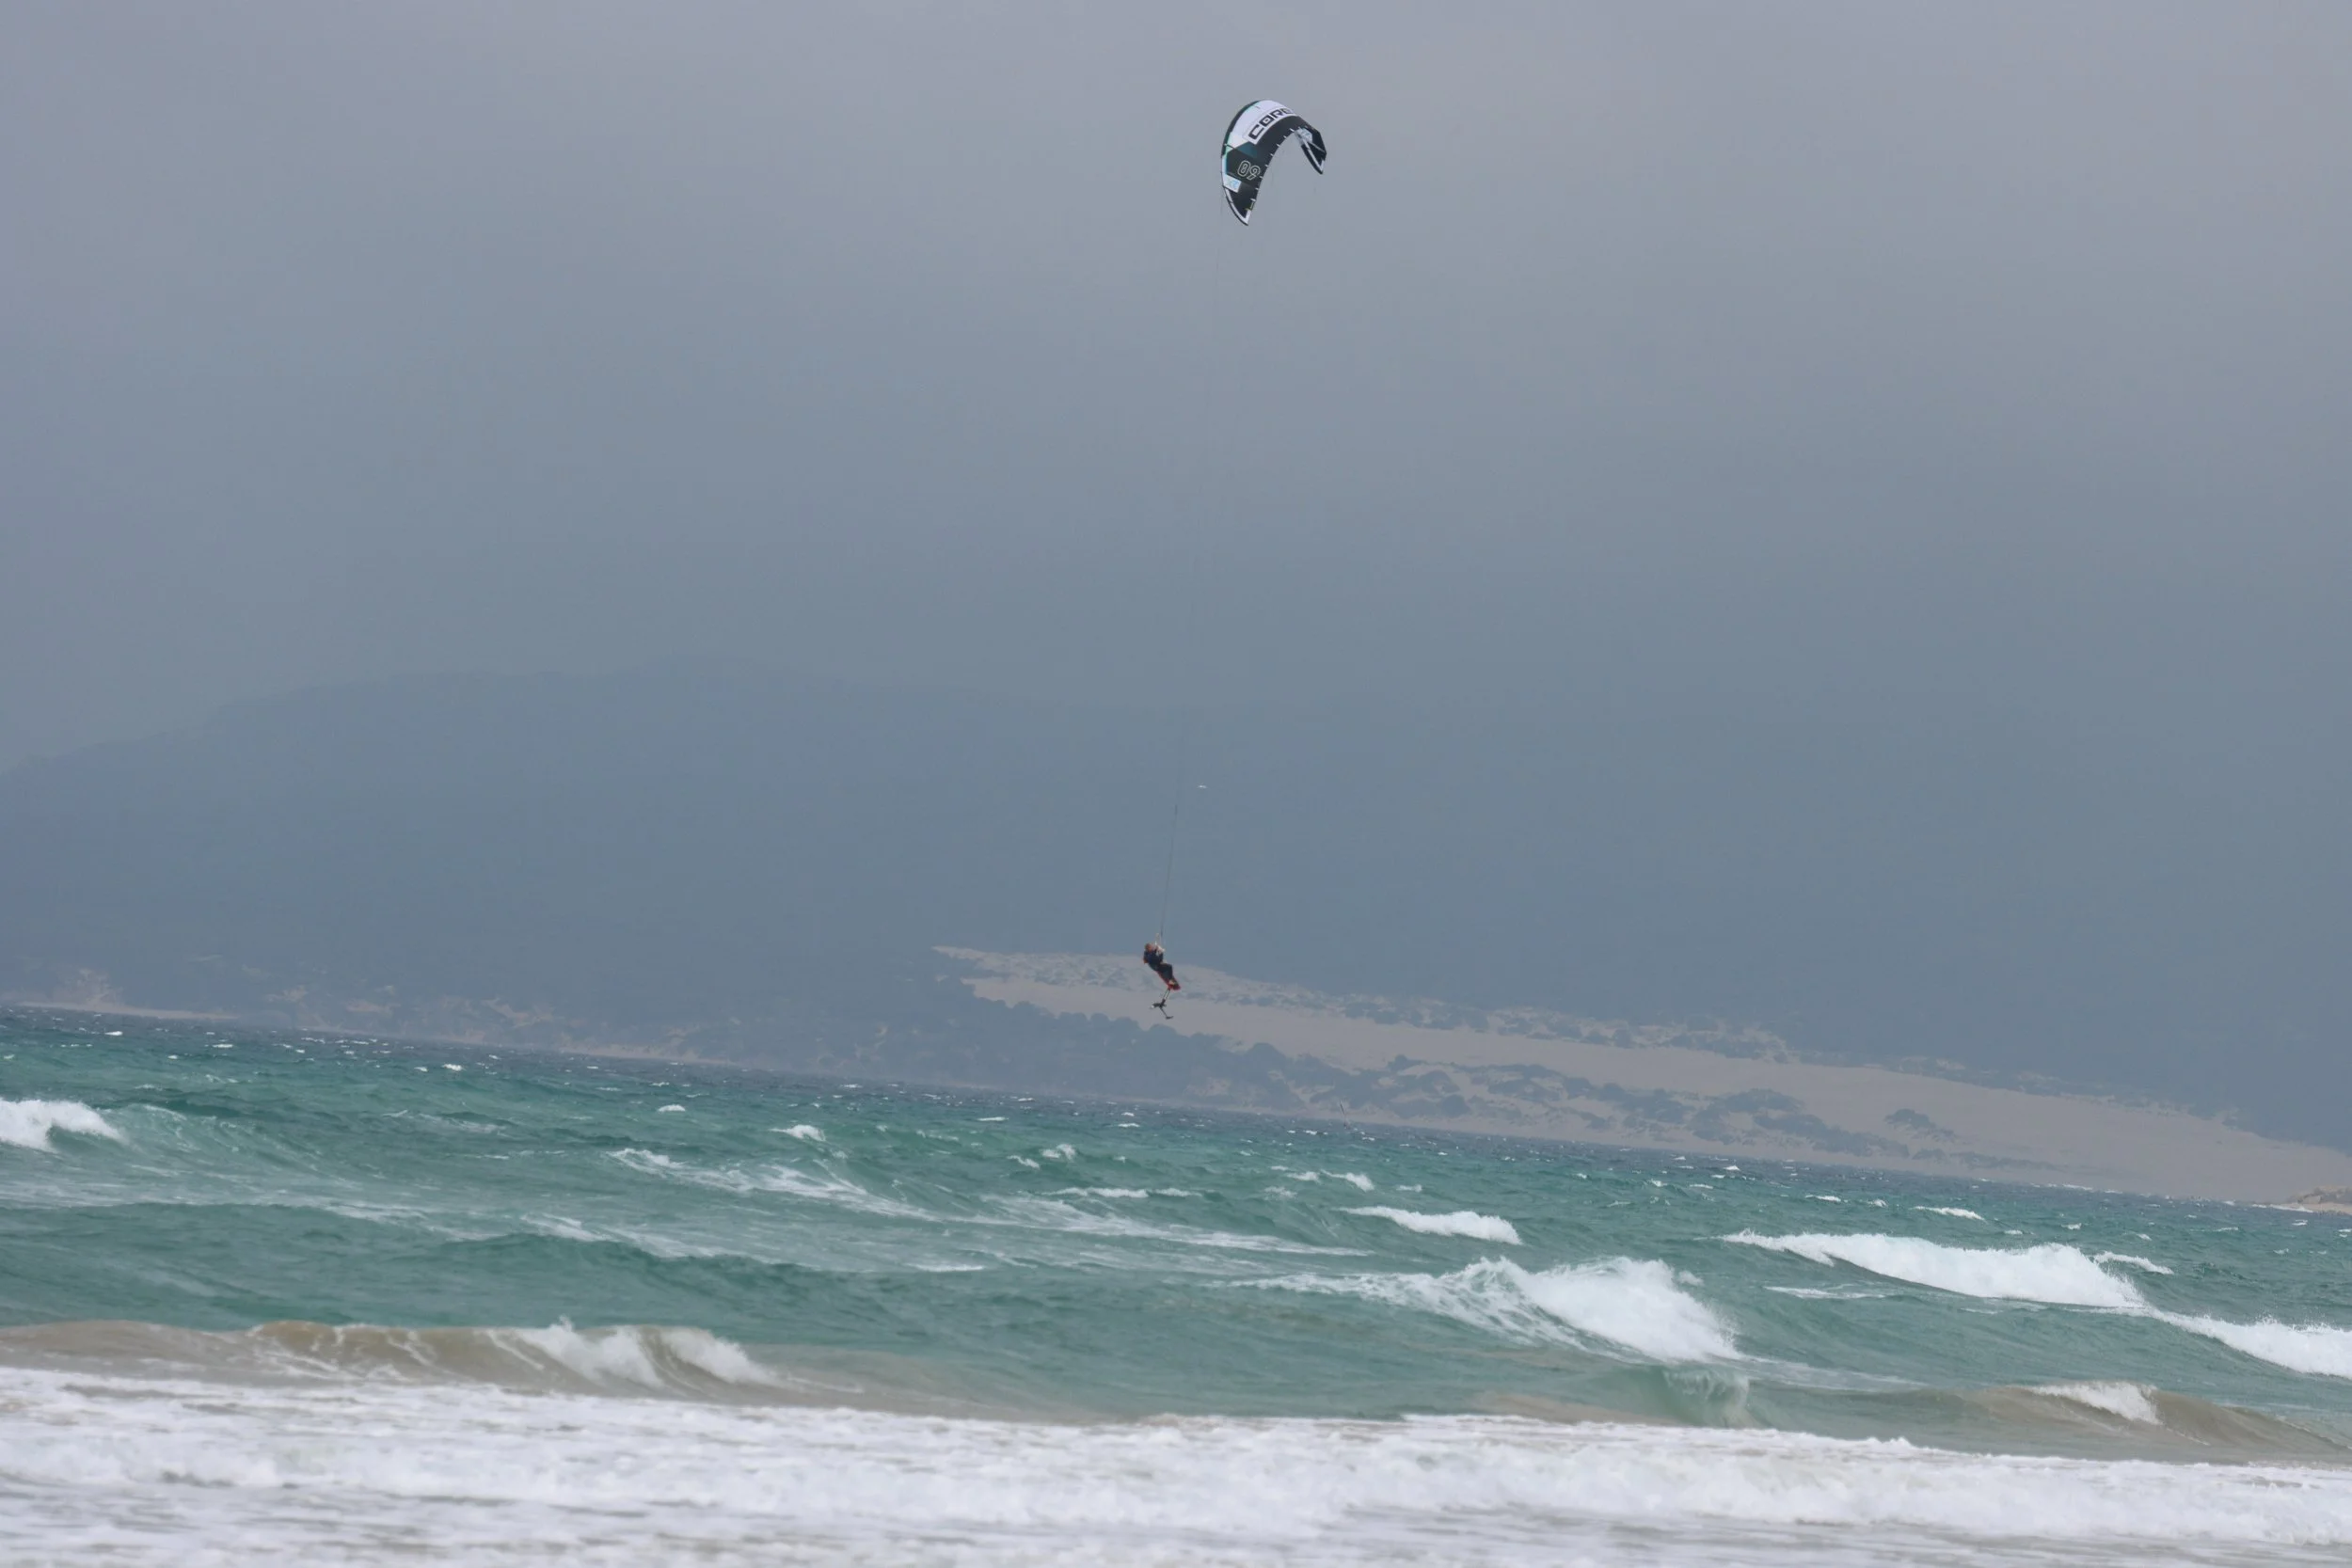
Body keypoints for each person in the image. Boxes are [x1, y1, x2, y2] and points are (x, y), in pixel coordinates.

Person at [1142, 941, 1181, 1012]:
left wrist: (1157, 949)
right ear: (1148, 948)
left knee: (1169, 971)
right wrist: (1161, 952)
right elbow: (1158, 959)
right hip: (1159, 968)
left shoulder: (1148, 954)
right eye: (1151, 947)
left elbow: (1154, 955)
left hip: (1159, 967)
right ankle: (1170, 981)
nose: (1152, 947)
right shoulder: (1150, 955)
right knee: (1169, 968)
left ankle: (1163, 1000)